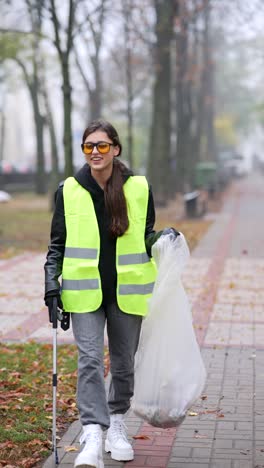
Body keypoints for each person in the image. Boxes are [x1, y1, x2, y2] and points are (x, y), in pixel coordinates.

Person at [44, 119, 179, 468]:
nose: (95, 152)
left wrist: (164, 238)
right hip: (83, 292)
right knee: (89, 360)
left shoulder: (137, 187)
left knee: (122, 364)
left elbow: (145, 235)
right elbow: (57, 245)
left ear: (115, 149)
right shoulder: (69, 189)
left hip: (127, 292)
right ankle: (92, 432)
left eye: (102, 145)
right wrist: (50, 285)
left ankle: (117, 423)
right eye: (89, 146)